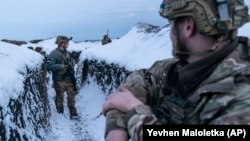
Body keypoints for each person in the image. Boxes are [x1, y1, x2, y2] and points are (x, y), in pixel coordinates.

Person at [102, 0, 250, 141]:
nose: (171, 34)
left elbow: (128, 102)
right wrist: (117, 129)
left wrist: (135, 112)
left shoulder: (242, 96)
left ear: (188, 26)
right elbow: (141, 81)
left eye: (172, 25)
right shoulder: (190, 69)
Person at [46, 35, 78, 120]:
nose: (68, 44)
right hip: (59, 80)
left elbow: (70, 60)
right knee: (59, 97)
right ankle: (60, 113)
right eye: (66, 43)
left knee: (72, 96)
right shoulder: (53, 54)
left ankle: (73, 113)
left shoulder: (66, 52)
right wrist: (60, 66)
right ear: (61, 43)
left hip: (69, 78)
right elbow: (48, 66)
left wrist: (72, 62)